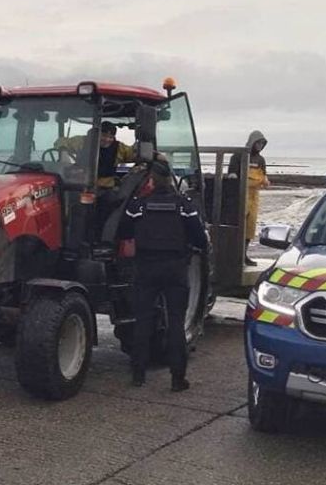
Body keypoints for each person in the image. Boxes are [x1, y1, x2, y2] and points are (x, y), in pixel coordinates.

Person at [119, 159, 209, 391]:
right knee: (176, 323)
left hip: (145, 268)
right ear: (170, 179)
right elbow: (200, 238)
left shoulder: (138, 205)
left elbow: (124, 231)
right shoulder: (184, 205)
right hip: (175, 269)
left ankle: (138, 375)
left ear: (151, 181)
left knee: (142, 321)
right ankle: (177, 378)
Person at [228, 130, 270, 266]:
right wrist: (234, 177)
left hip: (254, 196)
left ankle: (244, 255)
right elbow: (231, 174)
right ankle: (233, 255)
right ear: (252, 142)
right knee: (239, 225)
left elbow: (264, 175)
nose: (260, 146)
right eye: (258, 143)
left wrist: (265, 181)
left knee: (250, 228)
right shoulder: (238, 156)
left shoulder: (261, 160)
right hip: (240, 195)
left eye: (262, 144)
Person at [55, 121, 137, 190]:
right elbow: (61, 141)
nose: (107, 139)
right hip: (82, 183)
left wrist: (120, 170)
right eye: (104, 135)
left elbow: (135, 157)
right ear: (96, 134)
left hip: (108, 186)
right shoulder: (83, 141)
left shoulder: (120, 148)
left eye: (111, 137)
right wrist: (64, 152)